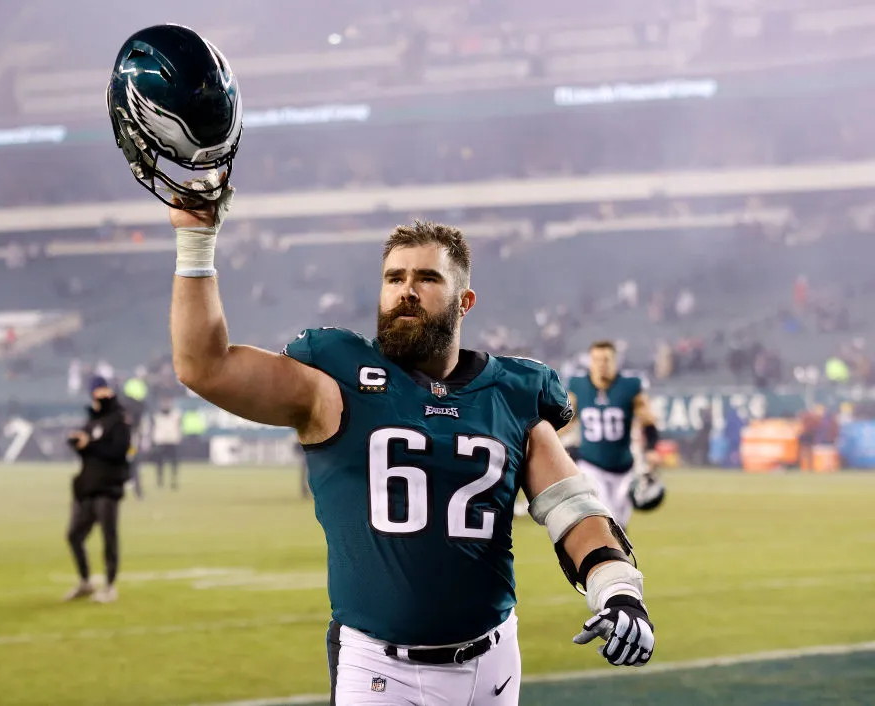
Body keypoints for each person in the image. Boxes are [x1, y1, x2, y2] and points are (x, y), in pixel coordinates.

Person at [111, 26, 655, 706]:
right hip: (379, 670)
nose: (405, 289)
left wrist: (619, 591)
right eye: (393, 275)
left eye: (425, 278)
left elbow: (573, 509)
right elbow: (204, 365)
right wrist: (198, 245)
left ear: (464, 299)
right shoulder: (334, 382)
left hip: (493, 664)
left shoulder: (513, 391)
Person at [565, 342, 661, 529]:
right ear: (590, 362)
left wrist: (650, 449)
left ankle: (617, 558)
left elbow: (649, 422)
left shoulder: (629, 386)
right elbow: (565, 421)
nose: (601, 364)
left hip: (624, 469)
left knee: (620, 526)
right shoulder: (578, 386)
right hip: (592, 465)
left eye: (606, 360)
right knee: (606, 519)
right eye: (597, 360)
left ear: (615, 362)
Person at [63, 375, 132, 603]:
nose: (101, 395)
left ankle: (110, 586)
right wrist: (79, 444)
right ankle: (85, 581)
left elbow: (118, 452)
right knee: (74, 535)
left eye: (104, 390)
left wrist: (89, 445)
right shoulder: (91, 421)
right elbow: (89, 450)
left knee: (108, 537)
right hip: (87, 486)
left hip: (108, 487)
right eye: (97, 390)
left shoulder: (119, 420)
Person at [150, 397, 182, 490]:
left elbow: (179, 426)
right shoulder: (156, 415)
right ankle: (160, 480)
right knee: (160, 463)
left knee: (174, 462)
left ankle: (173, 480)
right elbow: (153, 428)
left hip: (172, 441)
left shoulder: (176, 415)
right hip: (161, 441)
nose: (166, 405)